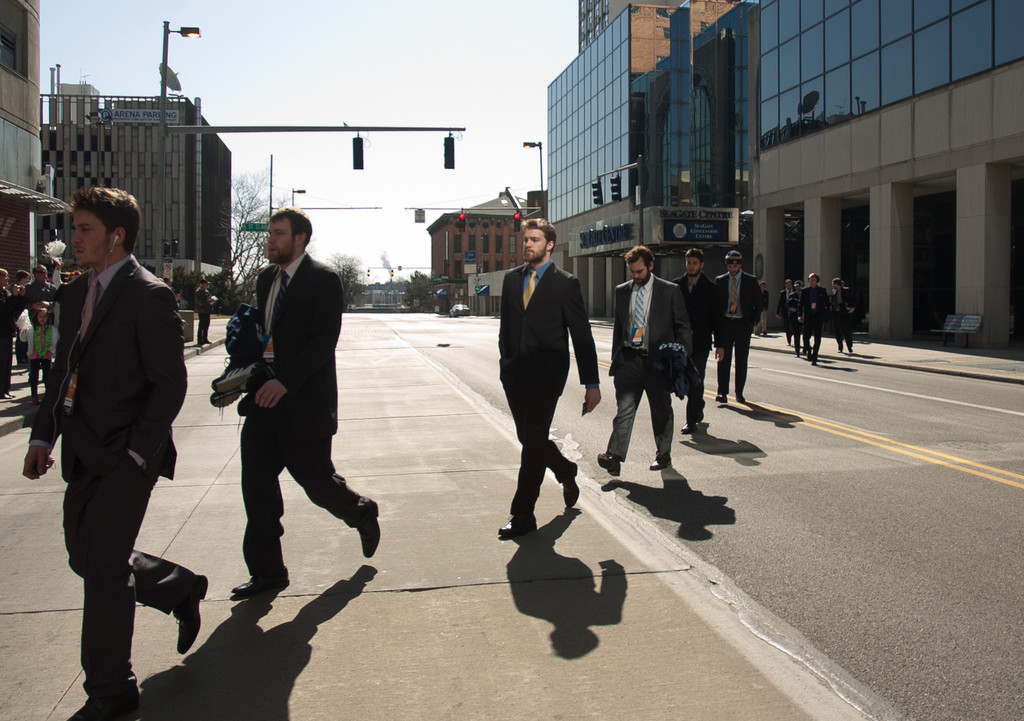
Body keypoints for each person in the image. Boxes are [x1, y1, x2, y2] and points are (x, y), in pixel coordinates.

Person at [22, 186, 207, 721]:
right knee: (86, 557)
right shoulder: (76, 294)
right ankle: (177, 587)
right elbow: (62, 371)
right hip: (80, 449)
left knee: (102, 566)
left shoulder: (149, 295)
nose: (72, 238)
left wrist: (136, 453)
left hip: (127, 455)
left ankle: (112, 687)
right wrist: (43, 436)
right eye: (73, 228)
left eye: (83, 229)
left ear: (115, 235)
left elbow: (169, 385)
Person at [231, 206, 380, 599]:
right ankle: (268, 572)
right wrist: (239, 375)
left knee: (316, 483)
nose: (271, 240)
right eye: (270, 234)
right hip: (263, 400)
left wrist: (287, 382)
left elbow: (323, 341)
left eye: (279, 233)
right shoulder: (265, 279)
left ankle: (361, 510)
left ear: (300, 238)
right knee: (257, 490)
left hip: (304, 401)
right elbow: (263, 335)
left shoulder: (323, 279)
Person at [498, 217, 600, 539]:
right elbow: (507, 329)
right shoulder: (511, 280)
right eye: (526, 239)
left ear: (550, 244)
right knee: (530, 439)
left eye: (534, 240)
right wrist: (506, 363)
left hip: (547, 376)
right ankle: (566, 469)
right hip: (515, 375)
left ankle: (523, 514)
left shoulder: (565, 283)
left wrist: (592, 384)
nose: (527, 244)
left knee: (532, 446)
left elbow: (582, 336)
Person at [597, 246, 691, 475]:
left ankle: (663, 455)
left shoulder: (669, 291)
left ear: (651, 266)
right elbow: (619, 329)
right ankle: (614, 456)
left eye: (639, 271)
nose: (635, 276)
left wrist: (681, 357)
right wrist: (616, 361)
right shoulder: (622, 291)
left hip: (657, 362)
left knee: (661, 410)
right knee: (625, 409)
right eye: (632, 272)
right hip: (629, 360)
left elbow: (683, 326)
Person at [673, 248, 723, 434]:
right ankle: (698, 403)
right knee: (686, 380)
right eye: (688, 263)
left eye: (694, 263)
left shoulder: (712, 288)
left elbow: (717, 318)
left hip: (701, 343)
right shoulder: (676, 286)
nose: (691, 266)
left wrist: (720, 344)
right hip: (680, 343)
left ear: (701, 264)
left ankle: (691, 420)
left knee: (696, 379)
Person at [714, 249, 761, 403]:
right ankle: (722, 392)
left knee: (741, 360)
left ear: (740, 265)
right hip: (726, 323)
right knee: (723, 359)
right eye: (730, 266)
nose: (732, 269)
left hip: (742, 323)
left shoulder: (750, 280)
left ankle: (739, 392)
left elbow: (758, 302)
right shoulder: (720, 280)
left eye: (735, 266)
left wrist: (753, 321)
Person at [0, 268, 27, 399]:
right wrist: (14, 296)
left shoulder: (6, 293)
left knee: (7, 362)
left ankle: (5, 388)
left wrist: (20, 297)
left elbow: (16, 309)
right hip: (1, 333)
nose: (7, 279)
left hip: (7, 332)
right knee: (1, 362)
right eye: (5, 277)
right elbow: (4, 309)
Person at [799, 272, 831, 365]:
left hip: (818, 317)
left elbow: (827, 303)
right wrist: (800, 315)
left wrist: (827, 312)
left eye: (813, 280)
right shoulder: (805, 291)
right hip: (808, 317)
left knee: (817, 337)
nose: (812, 281)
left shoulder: (822, 290)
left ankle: (815, 355)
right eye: (810, 280)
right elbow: (801, 304)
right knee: (805, 337)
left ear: (817, 281)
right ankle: (808, 349)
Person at [25, 307, 55, 404]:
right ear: (36, 317)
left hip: (46, 355)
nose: (42, 318)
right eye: (40, 316)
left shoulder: (51, 330)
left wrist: (51, 351)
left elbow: (55, 342)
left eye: (45, 316)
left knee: (47, 376)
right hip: (34, 356)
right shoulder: (31, 329)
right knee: (34, 376)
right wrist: (23, 331)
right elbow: (23, 339)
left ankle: (47, 396)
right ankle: (34, 396)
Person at [831, 277, 856, 353]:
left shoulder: (846, 290)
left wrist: (852, 307)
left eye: (833, 284)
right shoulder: (834, 291)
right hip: (837, 313)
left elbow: (853, 299)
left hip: (845, 313)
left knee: (846, 330)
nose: (833, 286)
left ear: (836, 284)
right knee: (837, 331)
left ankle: (849, 347)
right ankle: (840, 346)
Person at [775, 279, 796, 345]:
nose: (789, 285)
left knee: (793, 326)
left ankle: (792, 333)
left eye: (790, 284)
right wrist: (778, 312)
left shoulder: (795, 292)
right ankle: (788, 340)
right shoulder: (783, 293)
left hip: (793, 311)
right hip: (786, 311)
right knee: (786, 326)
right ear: (785, 285)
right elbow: (780, 303)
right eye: (787, 284)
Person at [194, 277, 214, 345]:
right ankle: (199, 339)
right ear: (202, 284)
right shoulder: (199, 292)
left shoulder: (207, 291)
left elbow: (209, 298)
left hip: (207, 310)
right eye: (206, 284)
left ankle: (205, 339)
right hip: (202, 311)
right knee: (201, 325)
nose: (207, 285)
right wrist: (209, 301)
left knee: (206, 325)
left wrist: (212, 300)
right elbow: (200, 302)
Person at [788, 279, 804, 356]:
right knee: (796, 334)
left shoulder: (805, 294)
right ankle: (797, 351)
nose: (798, 288)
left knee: (805, 335)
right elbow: (787, 305)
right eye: (796, 286)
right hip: (794, 317)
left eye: (799, 286)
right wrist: (791, 309)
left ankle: (805, 348)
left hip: (804, 316)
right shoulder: (792, 295)